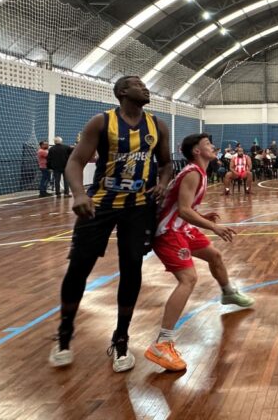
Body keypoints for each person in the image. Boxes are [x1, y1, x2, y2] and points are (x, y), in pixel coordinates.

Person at [49, 76, 173, 371]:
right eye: (138, 85)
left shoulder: (157, 125)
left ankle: (121, 340)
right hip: (101, 205)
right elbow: (75, 161)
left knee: (132, 268)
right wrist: (79, 193)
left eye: (145, 84)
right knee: (79, 267)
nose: (145, 88)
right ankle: (65, 334)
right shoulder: (101, 122)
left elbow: (167, 163)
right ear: (121, 92)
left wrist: (164, 183)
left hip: (139, 207)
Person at [145, 133, 254, 372]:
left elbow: (183, 208)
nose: (213, 147)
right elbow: (183, 210)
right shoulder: (192, 173)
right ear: (196, 151)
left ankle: (227, 293)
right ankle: (162, 342)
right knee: (189, 279)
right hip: (168, 231)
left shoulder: (200, 171)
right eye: (207, 145)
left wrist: (202, 217)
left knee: (214, 256)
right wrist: (212, 226)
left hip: (181, 227)